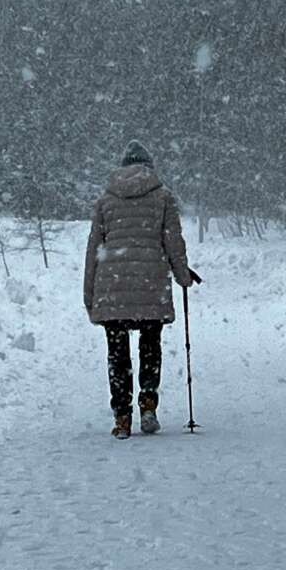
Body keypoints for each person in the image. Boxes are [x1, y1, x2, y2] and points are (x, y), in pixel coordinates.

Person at [84, 140, 199, 438]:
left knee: (117, 355)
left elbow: (93, 249)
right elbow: (173, 241)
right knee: (150, 346)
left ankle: (122, 417)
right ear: (149, 167)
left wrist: (90, 297)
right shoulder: (162, 197)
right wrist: (182, 275)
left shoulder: (105, 200)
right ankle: (148, 405)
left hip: (113, 289)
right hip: (151, 287)